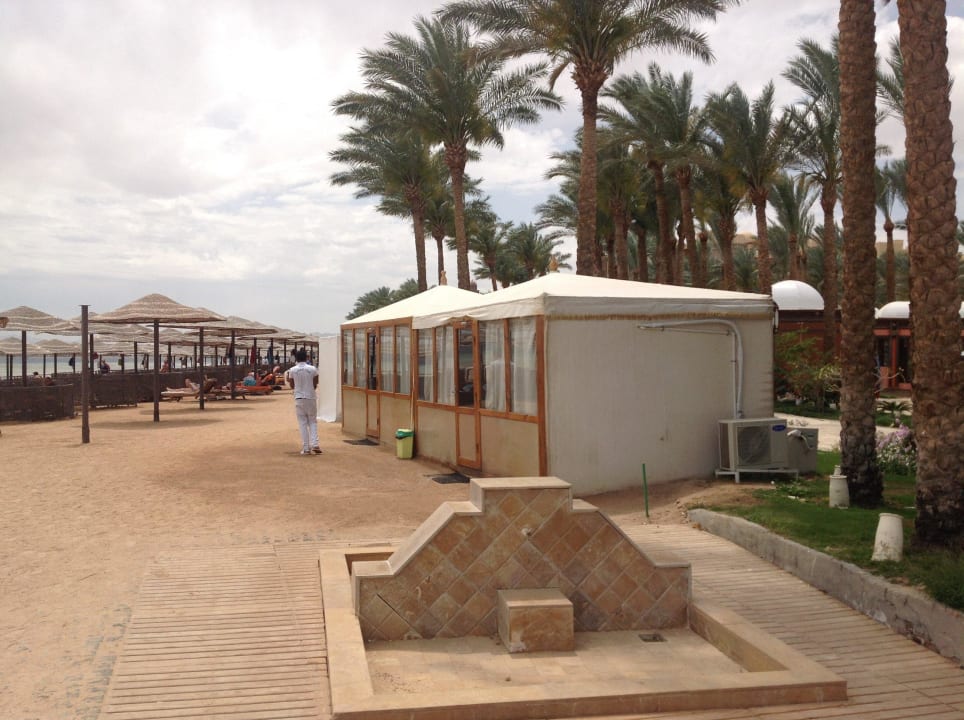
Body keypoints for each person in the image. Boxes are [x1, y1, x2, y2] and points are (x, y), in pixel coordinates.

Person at [287, 348, 321, 455]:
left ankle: (306, 448)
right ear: (306, 358)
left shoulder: (292, 370)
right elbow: (315, 383)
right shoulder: (313, 369)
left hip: (299, 398)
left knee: (302, 423)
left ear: (296, 358)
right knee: (313, 421)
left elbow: (292, 385)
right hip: (310, 397)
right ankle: (315, 444)